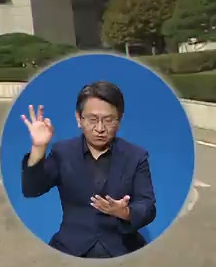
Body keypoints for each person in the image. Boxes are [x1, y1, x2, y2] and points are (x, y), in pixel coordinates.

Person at [19, 80, 156, 258]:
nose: (100, 128)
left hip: (123, 250)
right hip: (70, 249)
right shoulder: (62, 153)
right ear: (79, 119)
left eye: (108, 120)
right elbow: (31, 190)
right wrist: (38, 148)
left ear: (119, 120)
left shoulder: (136, 156)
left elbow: (148, 207)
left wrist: (126, 212)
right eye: (92, 119)